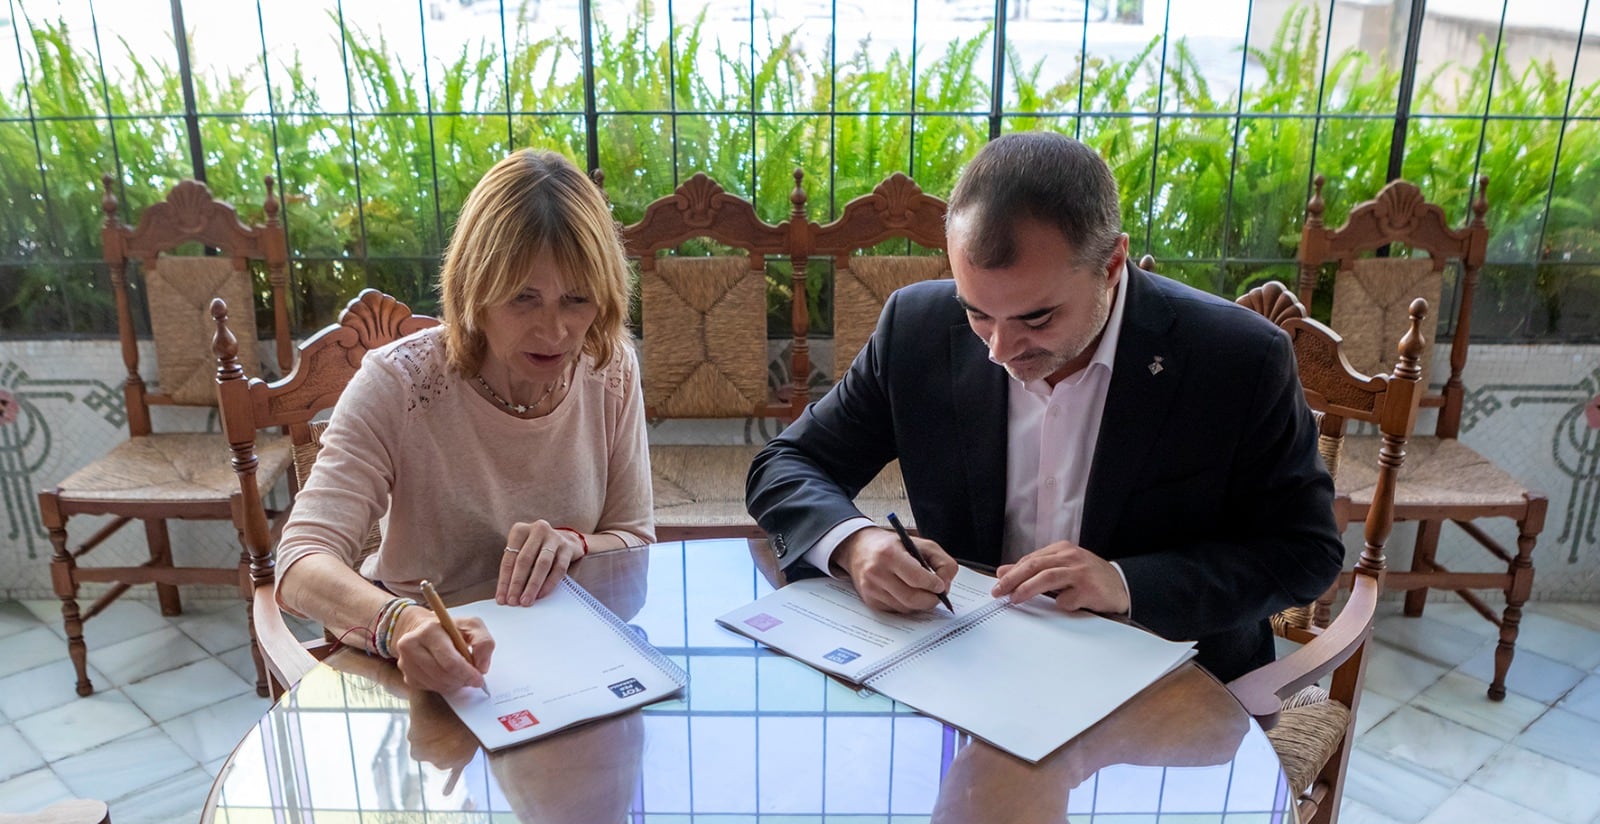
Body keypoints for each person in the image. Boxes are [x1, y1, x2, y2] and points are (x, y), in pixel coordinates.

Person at [746, 131, 1343, 682]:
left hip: (1166, 683)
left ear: (1111, 266)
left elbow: (1305, 552)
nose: (1001, 350)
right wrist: (855, 543)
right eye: (977, 311)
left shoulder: (1236, 357)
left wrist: (1125, 581)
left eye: (1037, 317)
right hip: (964, 668)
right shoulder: (917, 328)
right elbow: (786, 464)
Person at [276, 149, 654, 693]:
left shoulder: (609, 367)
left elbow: (635, 540)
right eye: (524, 299)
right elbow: (299, 564)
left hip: (571, 658)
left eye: (577, 299)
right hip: (429, 671)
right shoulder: (399, 383)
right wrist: (400, 622)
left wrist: (577, 543)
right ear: (474, 289)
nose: (554, 332)